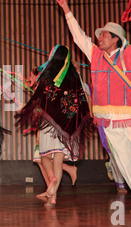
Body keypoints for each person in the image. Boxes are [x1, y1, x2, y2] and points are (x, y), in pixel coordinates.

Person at [55, 0, 131, 214]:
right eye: (99, 34)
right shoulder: (95, 55)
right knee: (124, 161)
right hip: (107, 120)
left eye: (105, 34)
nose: (99, 37)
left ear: (116, 39)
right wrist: (66, 9)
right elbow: (79, 36)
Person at [16, 45, 93, 205]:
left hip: (49, 122)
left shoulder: (49, 74)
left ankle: (53, 182)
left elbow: (39, 99)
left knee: (44, 156)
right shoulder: (74, 77)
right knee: (58, 158)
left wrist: (26, 110)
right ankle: (53, 196)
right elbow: (81, 99)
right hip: (67, 124)